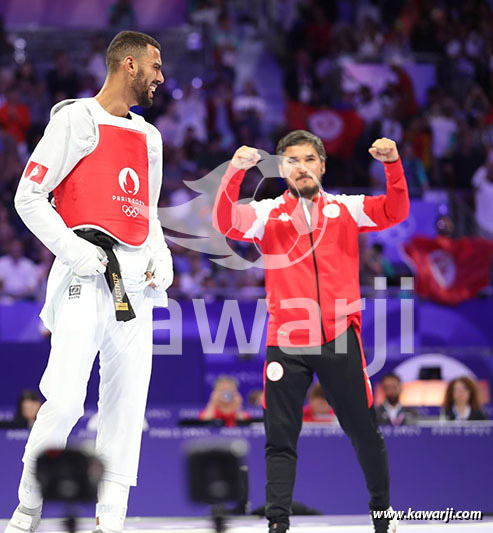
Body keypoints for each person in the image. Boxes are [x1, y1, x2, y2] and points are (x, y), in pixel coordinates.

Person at [6, 31, 173, 533]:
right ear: (128, 65)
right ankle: (28, 506)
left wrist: (161, 257)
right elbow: (29, 196)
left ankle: (112, 521)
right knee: (65, 397)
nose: (161, 77)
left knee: (127, 403)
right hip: (85, 270)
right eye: (155, 66)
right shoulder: (74, 118)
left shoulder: (150, 137)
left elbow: (148, 210)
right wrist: (73, 249)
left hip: (136, 282)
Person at [213, 131, 409, 533]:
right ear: (283, 170)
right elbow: (224, 223)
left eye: (308, 159)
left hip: (339, 337)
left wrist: (392, 165)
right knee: (280, 439)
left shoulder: (346, 209)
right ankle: (277, 524)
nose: (301, 167)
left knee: (365, 433)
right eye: (292, 161)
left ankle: (383, 518)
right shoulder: (268, 213)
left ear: (322, 164)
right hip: (287, 339)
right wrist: (234, 171)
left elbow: (395, 211)